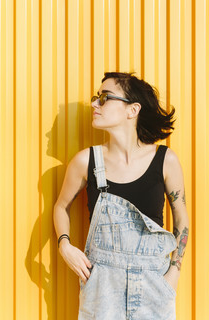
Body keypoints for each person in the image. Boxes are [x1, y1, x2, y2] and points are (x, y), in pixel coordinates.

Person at [53, 72, 189, 319]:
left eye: (104, 98)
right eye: (96, 98)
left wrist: (174, 274)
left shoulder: (165, 160)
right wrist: (65, 245)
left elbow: (181, 219)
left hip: (155, 284)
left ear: (132, 110)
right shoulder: (86, 161)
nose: (95, 104)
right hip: (102, 287)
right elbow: (61, 206)